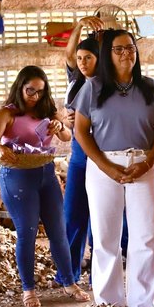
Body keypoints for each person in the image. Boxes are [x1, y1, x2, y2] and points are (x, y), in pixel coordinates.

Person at [73, 29, 154, 307]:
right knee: (105, 237)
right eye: (119, 49)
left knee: (147, 235)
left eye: (130, 48)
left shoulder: (150, 87)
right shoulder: (93, 88)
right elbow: (81, 132)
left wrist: (148, 162)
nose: (127, 53)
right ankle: (109, 305)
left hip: (144, 164)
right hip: (104, 166)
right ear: (108, 55)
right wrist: (107, 167)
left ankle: (144, 304)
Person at [0, 65, 89, 307]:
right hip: (17, 177)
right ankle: (28, 289)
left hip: (46, 174)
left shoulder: (47, 111)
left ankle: (69, 281)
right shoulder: (6, 113)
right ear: (19, 88)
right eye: (30, 91)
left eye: (40, 92)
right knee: (27, 233)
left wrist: (60, 127)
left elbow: (65, 137)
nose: (34, 96)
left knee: (58, 231)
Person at [60, 16, 103, 284]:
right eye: (80, 58)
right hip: (78, 155)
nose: (83, 63)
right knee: (73, 214)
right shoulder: (76, 80)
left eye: (88, 57)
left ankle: (98, 275)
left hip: (101, 154)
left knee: (100, 218)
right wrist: (78, 26)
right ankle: (69, 273)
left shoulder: (108, 85)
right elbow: (68, 53)